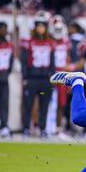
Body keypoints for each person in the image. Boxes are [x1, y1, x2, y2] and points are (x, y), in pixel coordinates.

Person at [20, 10, 55, 138]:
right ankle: (26, 128)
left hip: (45, 78)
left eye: (43, 26)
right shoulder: (28, 42)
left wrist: (53, 77)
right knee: (28, 104)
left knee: (44, 104)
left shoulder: (50, 43)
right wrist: (25, 77)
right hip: (32, 77)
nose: (40, 29)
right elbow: (24, 61)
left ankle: (43, 128)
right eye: (38, 26)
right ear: (35, 27)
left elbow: (52, 62)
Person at [0, 21, 13, 138]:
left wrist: (6, 74)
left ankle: (4, 126)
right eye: (1, 29)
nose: (3, 32)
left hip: (4, 79)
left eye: (5, 29)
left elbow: (11, 62)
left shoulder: (9, 45)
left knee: (4, 105)